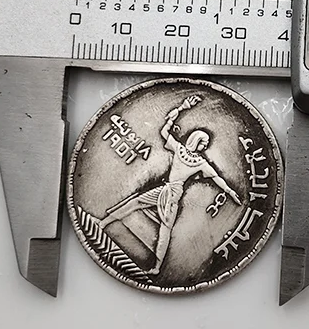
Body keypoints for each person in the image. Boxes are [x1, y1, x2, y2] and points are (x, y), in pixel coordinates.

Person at [96, 95, 241, 274]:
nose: (204, 147)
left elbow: (216, 177)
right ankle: (103, 223)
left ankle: (157, 268)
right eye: (203, 143)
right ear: (195, 140)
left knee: (165, 230)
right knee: (135, 203)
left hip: (173, 194)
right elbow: (165, 130)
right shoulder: (179, 149)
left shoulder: (200, 162)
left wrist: (229, 191)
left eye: (205, 145)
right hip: (164, 189)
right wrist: (181, 108)